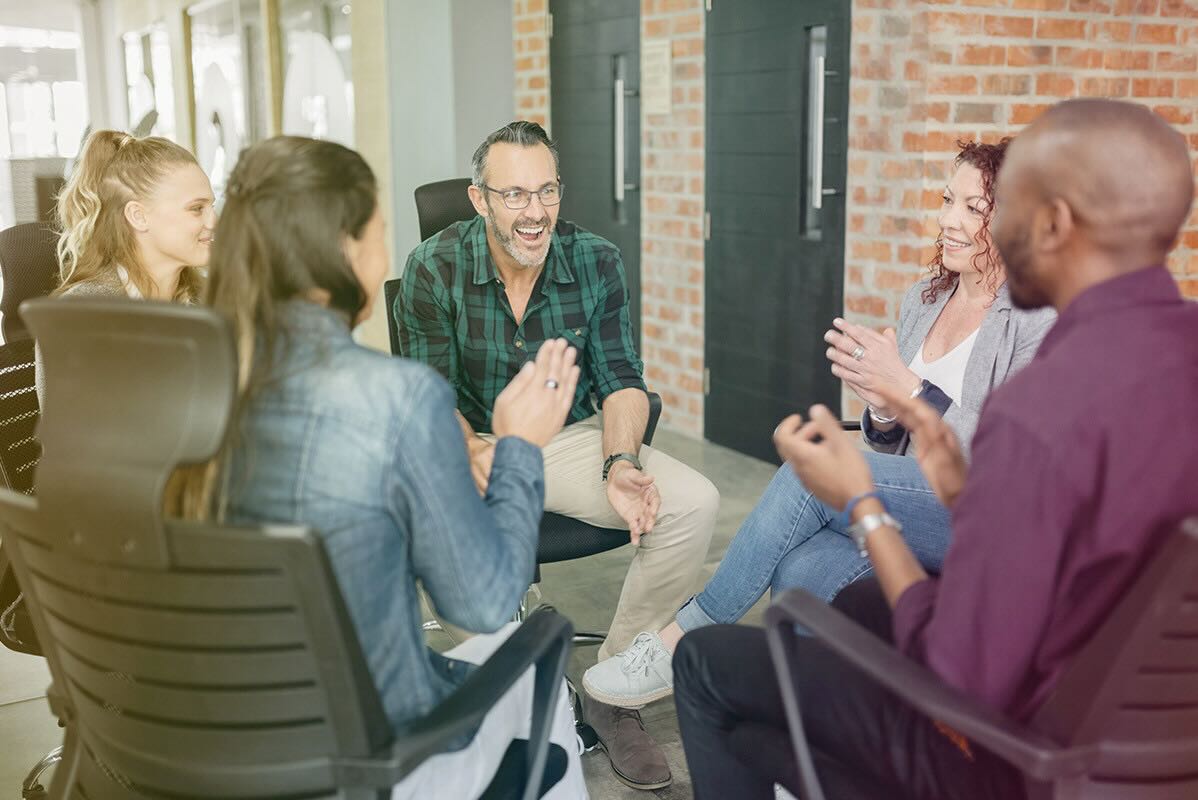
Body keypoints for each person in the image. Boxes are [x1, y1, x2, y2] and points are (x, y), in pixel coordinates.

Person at [672, 98, 1198, 799]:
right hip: (1141, 747)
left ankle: (690, 643)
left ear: (1054, 223)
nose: (978, 227)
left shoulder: (1039, 410)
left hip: (1004, 755)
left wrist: (862, 500)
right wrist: (957, 486)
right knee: (842, 600)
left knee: (709, 667)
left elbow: (955, 669)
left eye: (999, 208)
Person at [173, 136, 588, 799]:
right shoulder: (395, 399)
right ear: (343, 250)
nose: (387, 256)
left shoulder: (186, 385)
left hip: (231, 746)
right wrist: (517, 447)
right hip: (379, 757)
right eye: (378, 235)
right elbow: (481, 602)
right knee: (543, 684)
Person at [583, 139, 1055, 709]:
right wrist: (882, 408)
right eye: (948, 199)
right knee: (802, 572)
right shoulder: (923, 301)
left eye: (974, 209)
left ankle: (682, 639)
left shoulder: (1037, 319)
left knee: (813, 470)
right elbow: (892, 445)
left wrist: (907, 389)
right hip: (909, 503)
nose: (949, 220)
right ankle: (809, 753)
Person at [396, 120, 718, 790]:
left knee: (692, 503)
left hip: (568, 440)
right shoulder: (433, 266)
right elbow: (428, 396)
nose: (535, 212)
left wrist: (622, 463)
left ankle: (612, 693)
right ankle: (496, 695)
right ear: (479, 199)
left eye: (546, 192)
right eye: (514, 195)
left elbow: (622, 379)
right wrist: (478, 457)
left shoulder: (595, 259)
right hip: (473, 442)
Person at [40, 130, 214, 401]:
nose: (213, 222)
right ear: (138, 216)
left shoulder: (207, 302)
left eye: (211, 206)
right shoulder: (80, 321)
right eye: (196, 208)